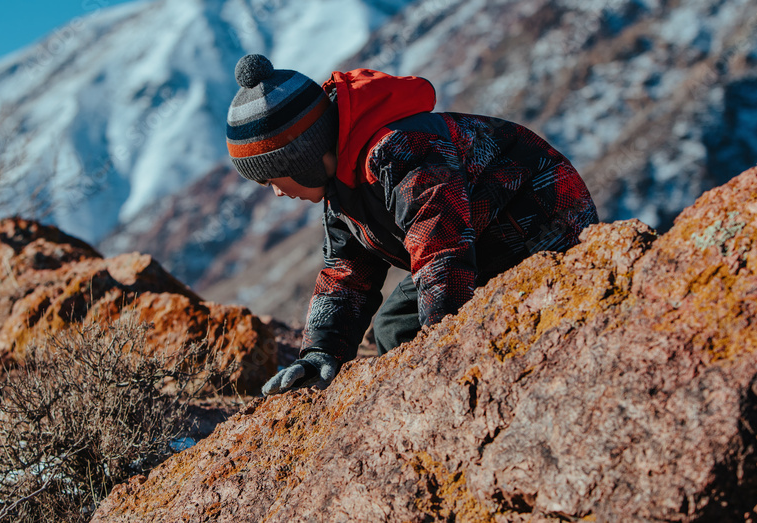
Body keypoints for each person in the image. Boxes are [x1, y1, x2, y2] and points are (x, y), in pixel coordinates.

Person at [225, 54, 598, 396]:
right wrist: (320, 353)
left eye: (273, 179)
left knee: (448, 325)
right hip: (480, 243)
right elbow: (347, 271)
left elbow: (442, 251)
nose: (276, 193)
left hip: (542, 232)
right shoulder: (341, 183)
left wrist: (443, 350)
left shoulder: (402, 151)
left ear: (302, 159)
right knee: (395, 328)